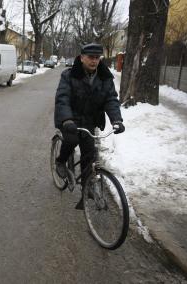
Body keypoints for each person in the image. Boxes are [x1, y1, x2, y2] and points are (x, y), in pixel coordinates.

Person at [54, 43, 125, 209]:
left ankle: (87, 189)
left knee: (89, 155)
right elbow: (62, 98)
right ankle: (60, 162)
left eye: (97, 58)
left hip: (90, 121)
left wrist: (117, 120)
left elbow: (111, 100)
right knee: (71, 140)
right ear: (82, 58)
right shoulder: (69, 75)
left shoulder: (105, 78)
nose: (94, 61)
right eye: (90, 57)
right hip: (70, 119)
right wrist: (66, 120)